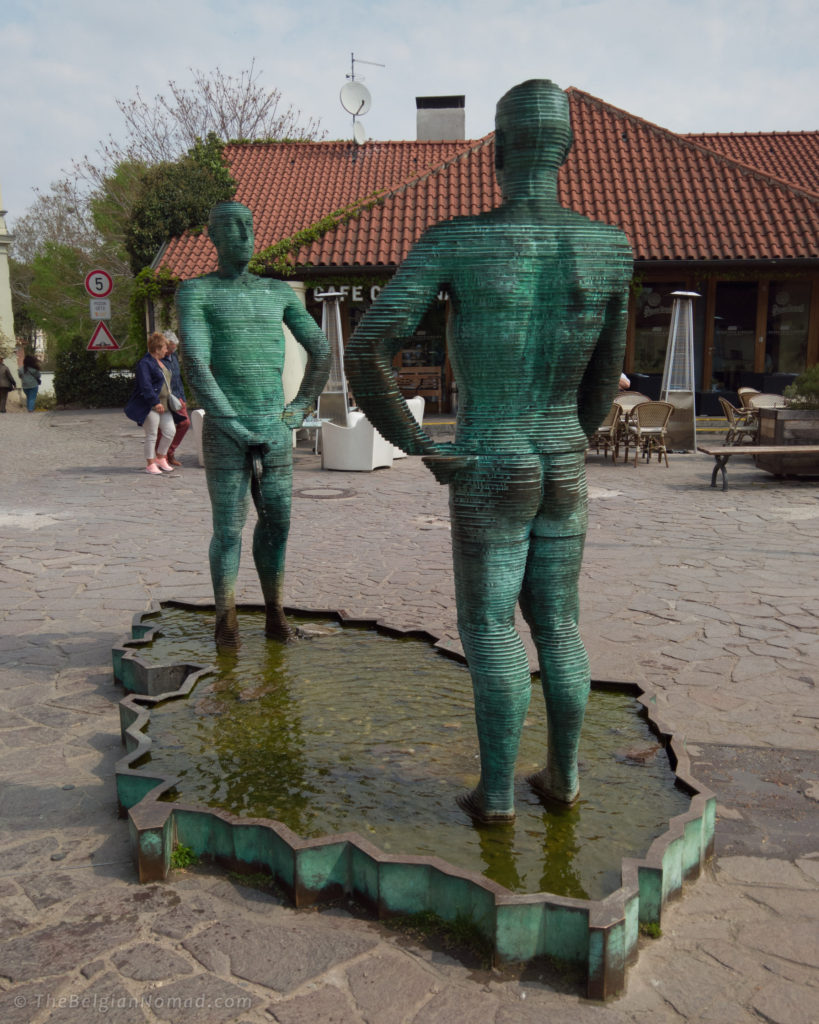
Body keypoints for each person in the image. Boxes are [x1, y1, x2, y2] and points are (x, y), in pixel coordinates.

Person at [347, 80, 633, 822]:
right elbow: (603, 386)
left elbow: (369, 347)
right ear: (566, 148)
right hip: (559, 454)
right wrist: (567, 437)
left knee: (488, 627)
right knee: (561, 627)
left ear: (498, 150)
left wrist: (416, 442)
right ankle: (563, 779)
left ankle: (498, 792)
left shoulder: (457, 240)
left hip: (489, 456)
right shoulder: (608, 247)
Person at [176, 201, 330, 648]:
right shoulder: (196, 291)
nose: (244, 234)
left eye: (248, 225)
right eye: (232, 227)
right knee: (228, 528)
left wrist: (297, 411)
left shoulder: (278, 292)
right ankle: (226, 623)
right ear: (213, 237)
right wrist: (231, 422)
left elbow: (321, 351)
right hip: (228, 431)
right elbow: (196, 363)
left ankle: (275, 616)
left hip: (274, 427)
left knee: (277, 523)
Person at [124, 333, 177, 474]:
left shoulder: (162, 362)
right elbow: (145, 385)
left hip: (165, 405)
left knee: (170, 431)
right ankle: (150, 464)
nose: (167, 350)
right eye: (165, 347)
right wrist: (154, 401)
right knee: (152, 434)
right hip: (150, 405)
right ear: (158, 348)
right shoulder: (145, 363)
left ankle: (160, 458)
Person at [162, 333, 190, 466]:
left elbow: (178, 379)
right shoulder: (159, 359)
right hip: (165, 398)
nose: (173, 351)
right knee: (164, 428)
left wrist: (182, 398)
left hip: (177, 397)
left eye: (174, 348)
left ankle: (170, 451)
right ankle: (161, 456)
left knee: (185, 423)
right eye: (171, 348)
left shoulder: (173, 357)